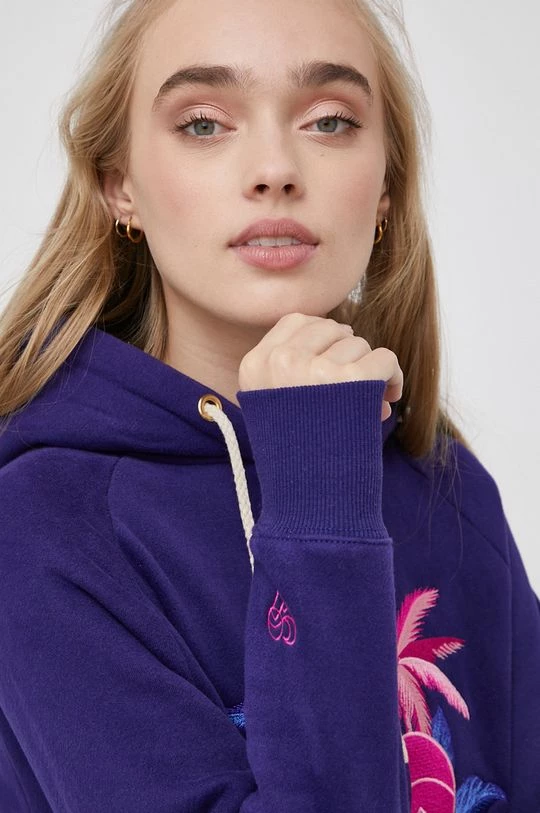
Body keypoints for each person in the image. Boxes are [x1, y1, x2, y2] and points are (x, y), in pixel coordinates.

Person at [0, 0, 538, 809]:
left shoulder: (450, 491)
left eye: (329, 121)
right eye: (205, 124)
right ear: (120, 187)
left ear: (386, 187)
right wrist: (320, 486)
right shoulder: (40, 523)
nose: (276, 168)